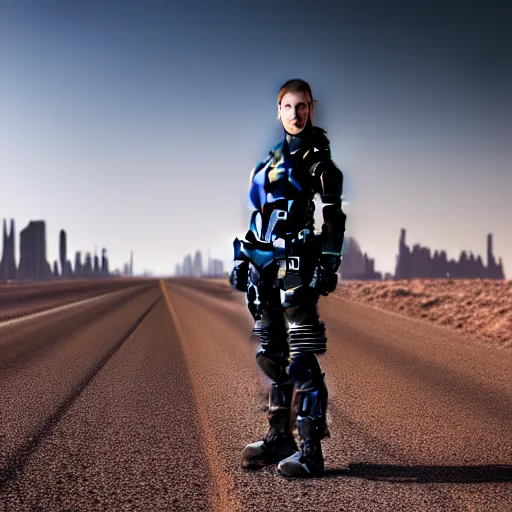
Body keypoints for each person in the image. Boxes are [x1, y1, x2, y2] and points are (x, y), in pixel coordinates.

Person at [230, 79, 346, 477]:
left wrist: (329, 262)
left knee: (300, 354)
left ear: (311, 108)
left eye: (303, 107)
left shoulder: (321, 162)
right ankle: (280, 436)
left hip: (297, 263)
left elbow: (333, 217)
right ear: (278, 109)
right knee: (272, 352)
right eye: (288, 107)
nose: (296, 114)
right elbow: (258, 216)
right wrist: (244, 258)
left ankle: (311, 452)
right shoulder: (268, 162)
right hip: (264, 262)